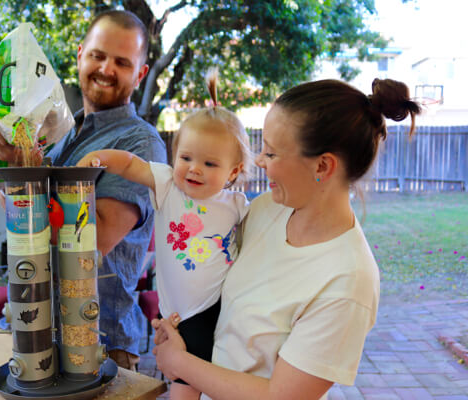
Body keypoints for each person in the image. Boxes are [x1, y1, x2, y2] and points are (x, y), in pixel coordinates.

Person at [151, 78, 421, 400]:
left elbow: (281, 396)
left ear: (322, 165)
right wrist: (181, 326)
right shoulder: (267, 211)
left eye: (272, 152)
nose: (260, 161)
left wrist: (180, 363)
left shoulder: (348, 282)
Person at [0, 10, 167, 370]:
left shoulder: (140, 145)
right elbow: (22, 223)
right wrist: (12, 164)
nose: (106, 69)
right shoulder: (60, 137)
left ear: (140, 74)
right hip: (35, 329)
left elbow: (88, 243)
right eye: (98, 55)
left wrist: (24, 173)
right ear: (80, 55)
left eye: (122, 62)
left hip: (99, 341)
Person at [77, 71, 253, 399]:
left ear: (234, 171)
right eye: (186, 157)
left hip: (215, 313)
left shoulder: (238, 206)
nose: (194, 168)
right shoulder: (167, 185)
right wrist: (96, 159)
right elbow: (130, 165)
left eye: (209, 163)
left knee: (208, 385)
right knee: (181, 387)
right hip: (172, 316)